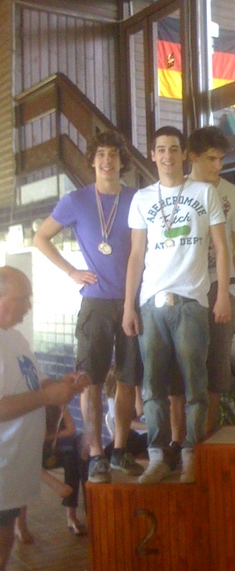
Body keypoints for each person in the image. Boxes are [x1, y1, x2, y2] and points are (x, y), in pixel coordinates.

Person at [122, 126, 232, 485]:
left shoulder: (204, 192)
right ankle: (157, 457)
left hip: (192, 302)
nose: (167, 155)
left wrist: (222, 294)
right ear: (152, 155)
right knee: (153, 387)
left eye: (173, 149)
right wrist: (128, 306)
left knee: (195, 385)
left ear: (184, 154)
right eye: (160, 149)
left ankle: (191, 456)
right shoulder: (142, 199)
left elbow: (222, 248)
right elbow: (136, 255)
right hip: (151, 304)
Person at [33, 130, 143, 484]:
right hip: (95, 303)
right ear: (93, 160)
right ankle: (96, 454)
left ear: (122, 161)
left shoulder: (136, 199)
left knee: (127, 379)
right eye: (101, 154)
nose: (107, 160)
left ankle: (120, 449)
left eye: (114, 154)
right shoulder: (76, 200)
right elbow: (40, 237)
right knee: (91, 381)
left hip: (132, 301)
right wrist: (71, 271)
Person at [0, 266, 90, 571]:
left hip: (13, 467)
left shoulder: (15, 339)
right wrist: (46, 396)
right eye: (23, 298)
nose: (28, 306)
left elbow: (32, 387)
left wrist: (62, 384)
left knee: (3, 561)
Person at [169, 126, 235, 438]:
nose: (218, 166)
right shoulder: (175, 191)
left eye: (221, 159)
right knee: (178, 368)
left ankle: (205, 438)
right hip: (182, 288)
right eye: (211, 159)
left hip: (218, 289)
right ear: (192, 156)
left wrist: (220, 284)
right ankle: (178, 440)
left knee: (216, 366)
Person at [15, 406, 88, 542]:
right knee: (23, 462)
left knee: (73, 454)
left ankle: (72, 516)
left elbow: (71, 429)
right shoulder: (28, 405)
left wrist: (49, 436)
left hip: (49, 447)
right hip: (27, 449)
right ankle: (20, 525)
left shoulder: (58, 402)